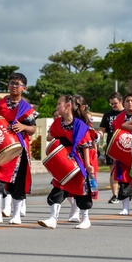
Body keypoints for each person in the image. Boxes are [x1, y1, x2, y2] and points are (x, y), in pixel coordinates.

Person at [0, 72, 37, 225]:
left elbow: (32, 129)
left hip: (19, 148)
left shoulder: (27, 108)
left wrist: (23, 126)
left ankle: (16, 214)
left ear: (24, 88)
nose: (14, 86)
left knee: (18, 182)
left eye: (17, 84)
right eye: (11, 83)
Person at [38, 94, 97, 229]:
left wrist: (87, 165)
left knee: (82, 190)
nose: (57, 106)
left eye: (60, 104)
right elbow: (49, 137)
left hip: (77, 160)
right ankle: (53, 219)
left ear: (68, 106)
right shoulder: (58, 123)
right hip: (63, 159)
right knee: (58, 187)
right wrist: (54, 136)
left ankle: (85, 219)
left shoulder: (80, 125)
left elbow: (86, 146)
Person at [109, 94, 132, 214]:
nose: (130, 103)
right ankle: (125, 207)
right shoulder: (119, 118)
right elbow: (116, 135)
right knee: (124, 180)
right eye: (127, 101)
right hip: (123, 153)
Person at [99, 94, 122, 203]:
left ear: (121, 102)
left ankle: (127, 192)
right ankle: (115, 195)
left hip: (125, 146)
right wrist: (98, 135)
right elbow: (102, 130)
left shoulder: (126, 114)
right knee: (113, 171)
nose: (113, 105)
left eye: (115, 103)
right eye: (111, 103)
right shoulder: (107, 115)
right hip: (111, 147)